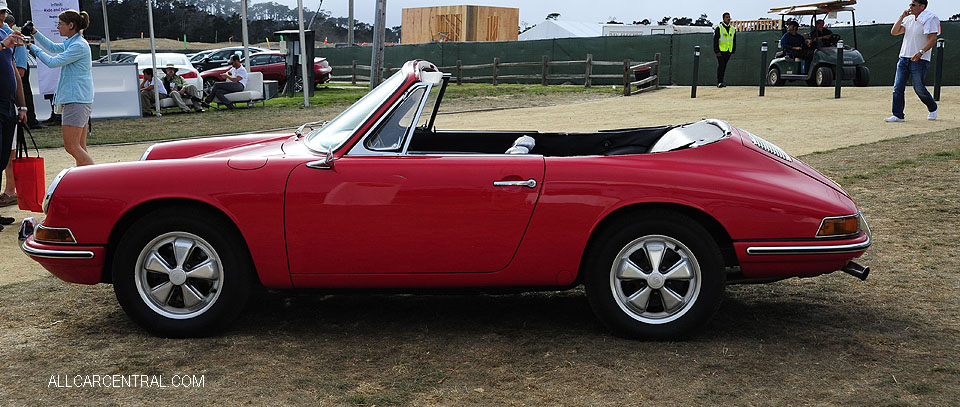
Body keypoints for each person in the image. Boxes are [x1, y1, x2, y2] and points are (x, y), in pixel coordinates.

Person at [18, 9, 94, 166]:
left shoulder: (78, 46)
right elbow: (52, 47)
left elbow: (52, 62)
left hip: (76, 99)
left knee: (72, 147)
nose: (58, 27)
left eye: (60, 24)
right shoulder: (74, 42)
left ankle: (96, 181)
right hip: (79, 98)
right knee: (79, 147)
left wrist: (30, 46)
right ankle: (85, 183)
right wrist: (35, 32)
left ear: (71, 25)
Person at [885, 0, 940, 122]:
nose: (910, 7)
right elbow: (894, 32)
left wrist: (921, 52)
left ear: (922, 6)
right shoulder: (909, 19)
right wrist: (901, 17)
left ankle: (932, 107)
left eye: (913, 5)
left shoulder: (930, 18)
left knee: (918, 88)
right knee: (898, 87)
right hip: (904, 57)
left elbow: (932, 39)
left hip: (919, 59)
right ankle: (898, 115)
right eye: (910, 4)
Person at [0, 1, 29, 229]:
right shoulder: (4, 37)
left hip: (7, 104)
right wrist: (3, 44)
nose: (1, 17)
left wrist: (22, 105)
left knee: (2, 158)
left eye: (3, 13)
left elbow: (14, 71)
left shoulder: (5, 32)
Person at [713, 12, 736, 88]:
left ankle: (721, 82)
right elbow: (715, 40)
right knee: (721, 66)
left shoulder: (733, 29)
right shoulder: (719, 28)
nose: (728, 19)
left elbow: (734, 40)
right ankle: (719, 82)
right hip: (720, 51)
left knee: (724, 66)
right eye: (727, 17)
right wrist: (717, 51)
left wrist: (732, 50)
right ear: (723, 19)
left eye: (729, 17)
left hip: (728, 51)